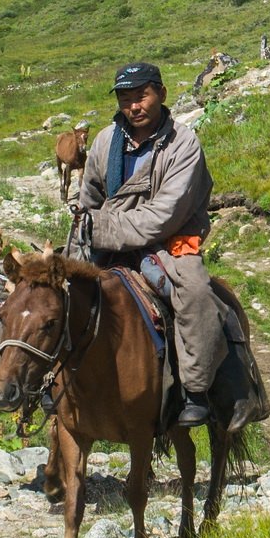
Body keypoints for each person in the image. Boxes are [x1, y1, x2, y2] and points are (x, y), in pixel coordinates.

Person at [74, 61, 227, 426]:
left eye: (141, 96)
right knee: (55, 290)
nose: (134, 106)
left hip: (166, 241)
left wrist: (104, 230)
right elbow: (91, 195)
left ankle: (196, 389)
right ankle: (51, 383)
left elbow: (165, 213)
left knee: (195, 292)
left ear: (160, 93)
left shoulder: (183, 143)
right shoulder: (105, 140)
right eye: (125, 99)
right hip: (107, 238)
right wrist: (84, 228)